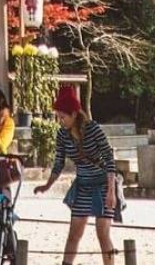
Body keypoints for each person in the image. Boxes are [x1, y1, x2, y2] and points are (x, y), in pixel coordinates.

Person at [35, 86, 120, 265]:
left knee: (103, 233)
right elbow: (59, 162)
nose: (60, 121)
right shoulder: (62, 134)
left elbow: (109, 157)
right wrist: (47, 185)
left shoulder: (93, 128)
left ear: (74, 114)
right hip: (82, 185)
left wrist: (111, 191)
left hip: (103, 184)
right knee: (74, 233)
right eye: (58, 117)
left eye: (62, 117)